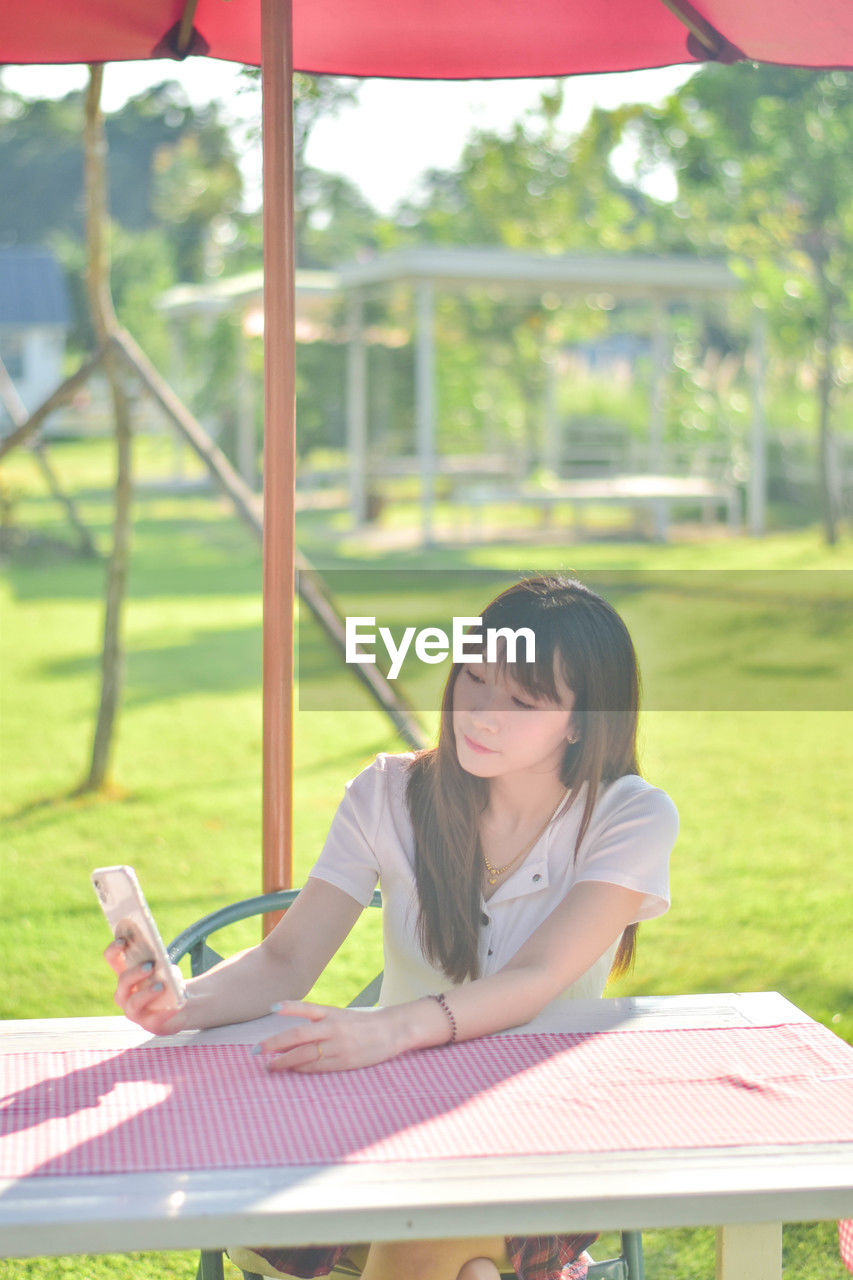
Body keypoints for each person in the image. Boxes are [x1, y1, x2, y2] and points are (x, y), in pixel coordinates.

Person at [106, 573, 679, 1280]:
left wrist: (387, 1027)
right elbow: (287, 960)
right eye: (472, 678)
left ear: (583, 719)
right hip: (385, 1123)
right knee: (443, 1252)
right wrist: (182, 1006)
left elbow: (533, 978)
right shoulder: (387, 793)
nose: (481, 715)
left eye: (522, 701)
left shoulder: (630, 816)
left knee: (428, 1234)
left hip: (544, 1133)